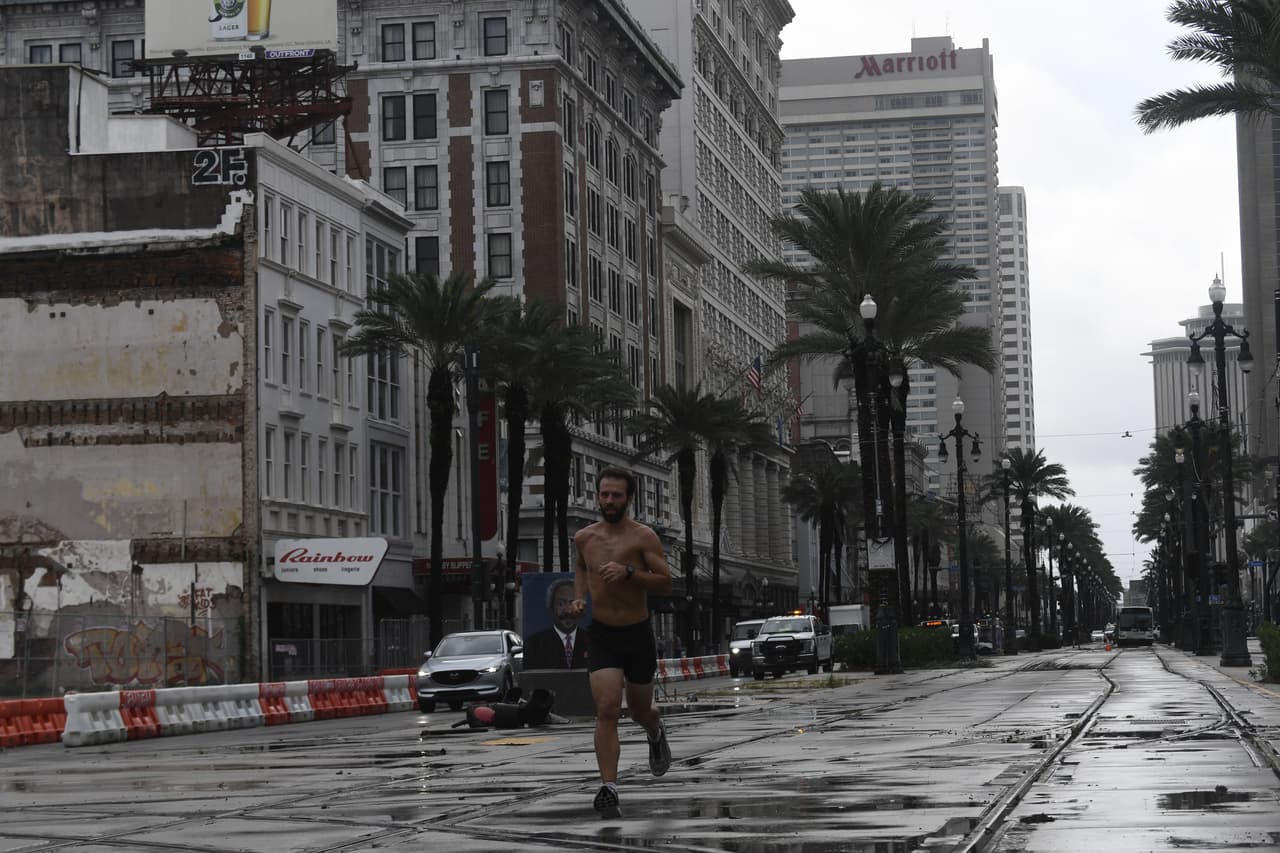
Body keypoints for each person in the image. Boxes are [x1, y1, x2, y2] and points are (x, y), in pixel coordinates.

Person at [566, 465, 674, 818]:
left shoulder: (643, 537)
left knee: (641, 709)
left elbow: (665, 582)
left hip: (637, 632)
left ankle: (655, 730)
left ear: (629, 499)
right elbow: (581, 568)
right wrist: (580, 598)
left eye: (616, 495)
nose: (609, 500)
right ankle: (609, 786)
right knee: (607, 708)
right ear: (597, 496)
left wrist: (629, 573)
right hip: (602, 634)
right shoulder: (584, 538)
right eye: (604, 494)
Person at [523, 577, 589, 669]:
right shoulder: (534, 645)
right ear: (551, 607)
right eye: (561, 603)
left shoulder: (592, 642)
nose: (567, 610)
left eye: (572, 603)